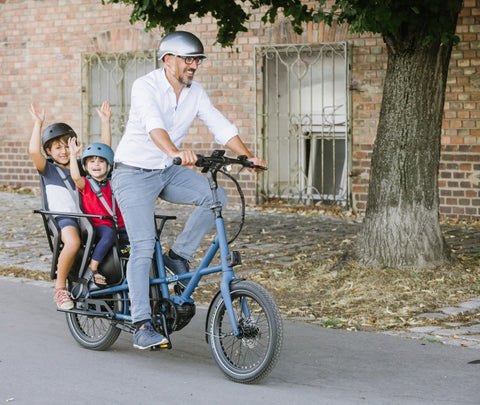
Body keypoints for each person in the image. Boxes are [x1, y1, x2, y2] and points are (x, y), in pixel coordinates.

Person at [111, 31, 266, 350]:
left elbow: (220, 125)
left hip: (166, 170)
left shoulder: (195, 93)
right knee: (142, 245)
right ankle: (141, 323)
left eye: (197, 60)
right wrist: (174, 152)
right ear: (168, 60)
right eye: (188, 59)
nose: (194, 65)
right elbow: (155, 125)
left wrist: (246, 156)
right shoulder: (145, 86)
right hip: (133, 173)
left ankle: (178, 255)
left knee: (216, 198)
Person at [29, 101, 112, 309]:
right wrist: (38, 123)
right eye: (58, 148)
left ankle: (98, 273)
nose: (64, 151)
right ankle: (60, 289)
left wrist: (105, 122)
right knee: (73, 242)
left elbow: (103, 153)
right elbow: (33, 152)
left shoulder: (80, 167)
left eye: (67, 146)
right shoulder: (48, 169)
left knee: (113, 235)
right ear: (48, 150)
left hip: (87, 216)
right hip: (63, 217)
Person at [68, 139, 127, 287]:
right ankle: (92, 267)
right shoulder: (85, 184)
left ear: (108, 166)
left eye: (101, 161)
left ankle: (127, 268)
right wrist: (73, 156)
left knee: (138, 236)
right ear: (86, 167)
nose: (96, 164)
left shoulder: (114, 183)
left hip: (117, 224)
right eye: (92, 161)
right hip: (98, 224)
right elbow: (75, 176)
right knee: (108, 234)